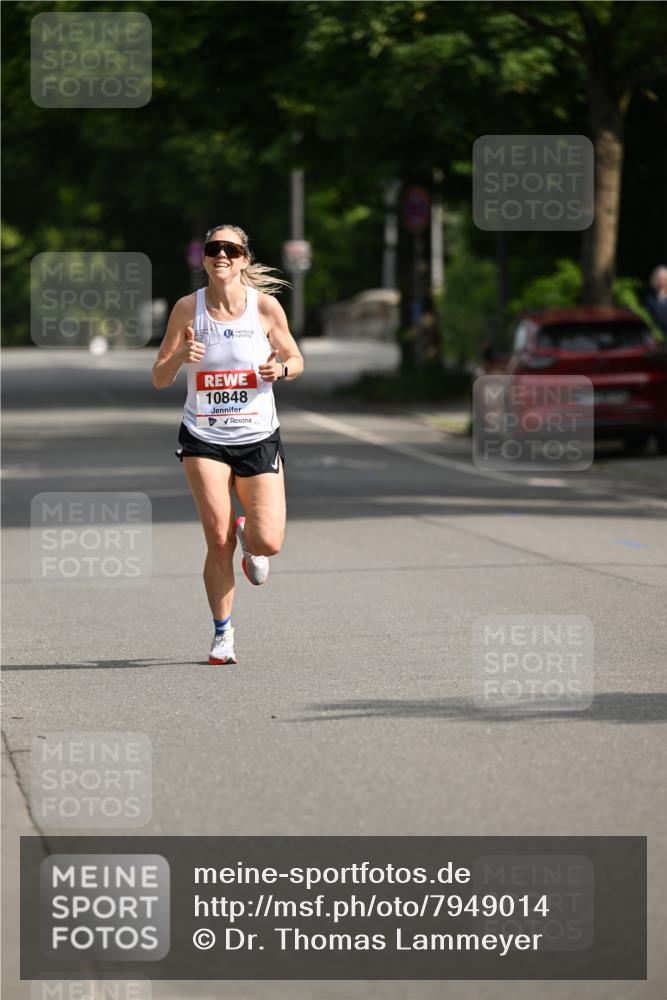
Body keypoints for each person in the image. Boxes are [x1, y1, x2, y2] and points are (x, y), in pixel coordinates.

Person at [152, 224, 304, 664]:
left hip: (258, 437)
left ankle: (249, 538)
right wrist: (181, 357)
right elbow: (159, 377)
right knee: (217, 540)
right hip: (204, 437)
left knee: (268, 542)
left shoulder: (265, 307)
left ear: (244, 260)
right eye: (214, 248)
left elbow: (295, 357)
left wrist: (282, 371)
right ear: (204, 258)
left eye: (231, 250)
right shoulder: (187, 309)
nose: (222, 255)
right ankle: (223, 633)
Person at [645, 265, 667, 337]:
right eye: (660, 278)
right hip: (654, 335)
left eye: (664, 278)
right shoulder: (649, 299)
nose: (662, 281)